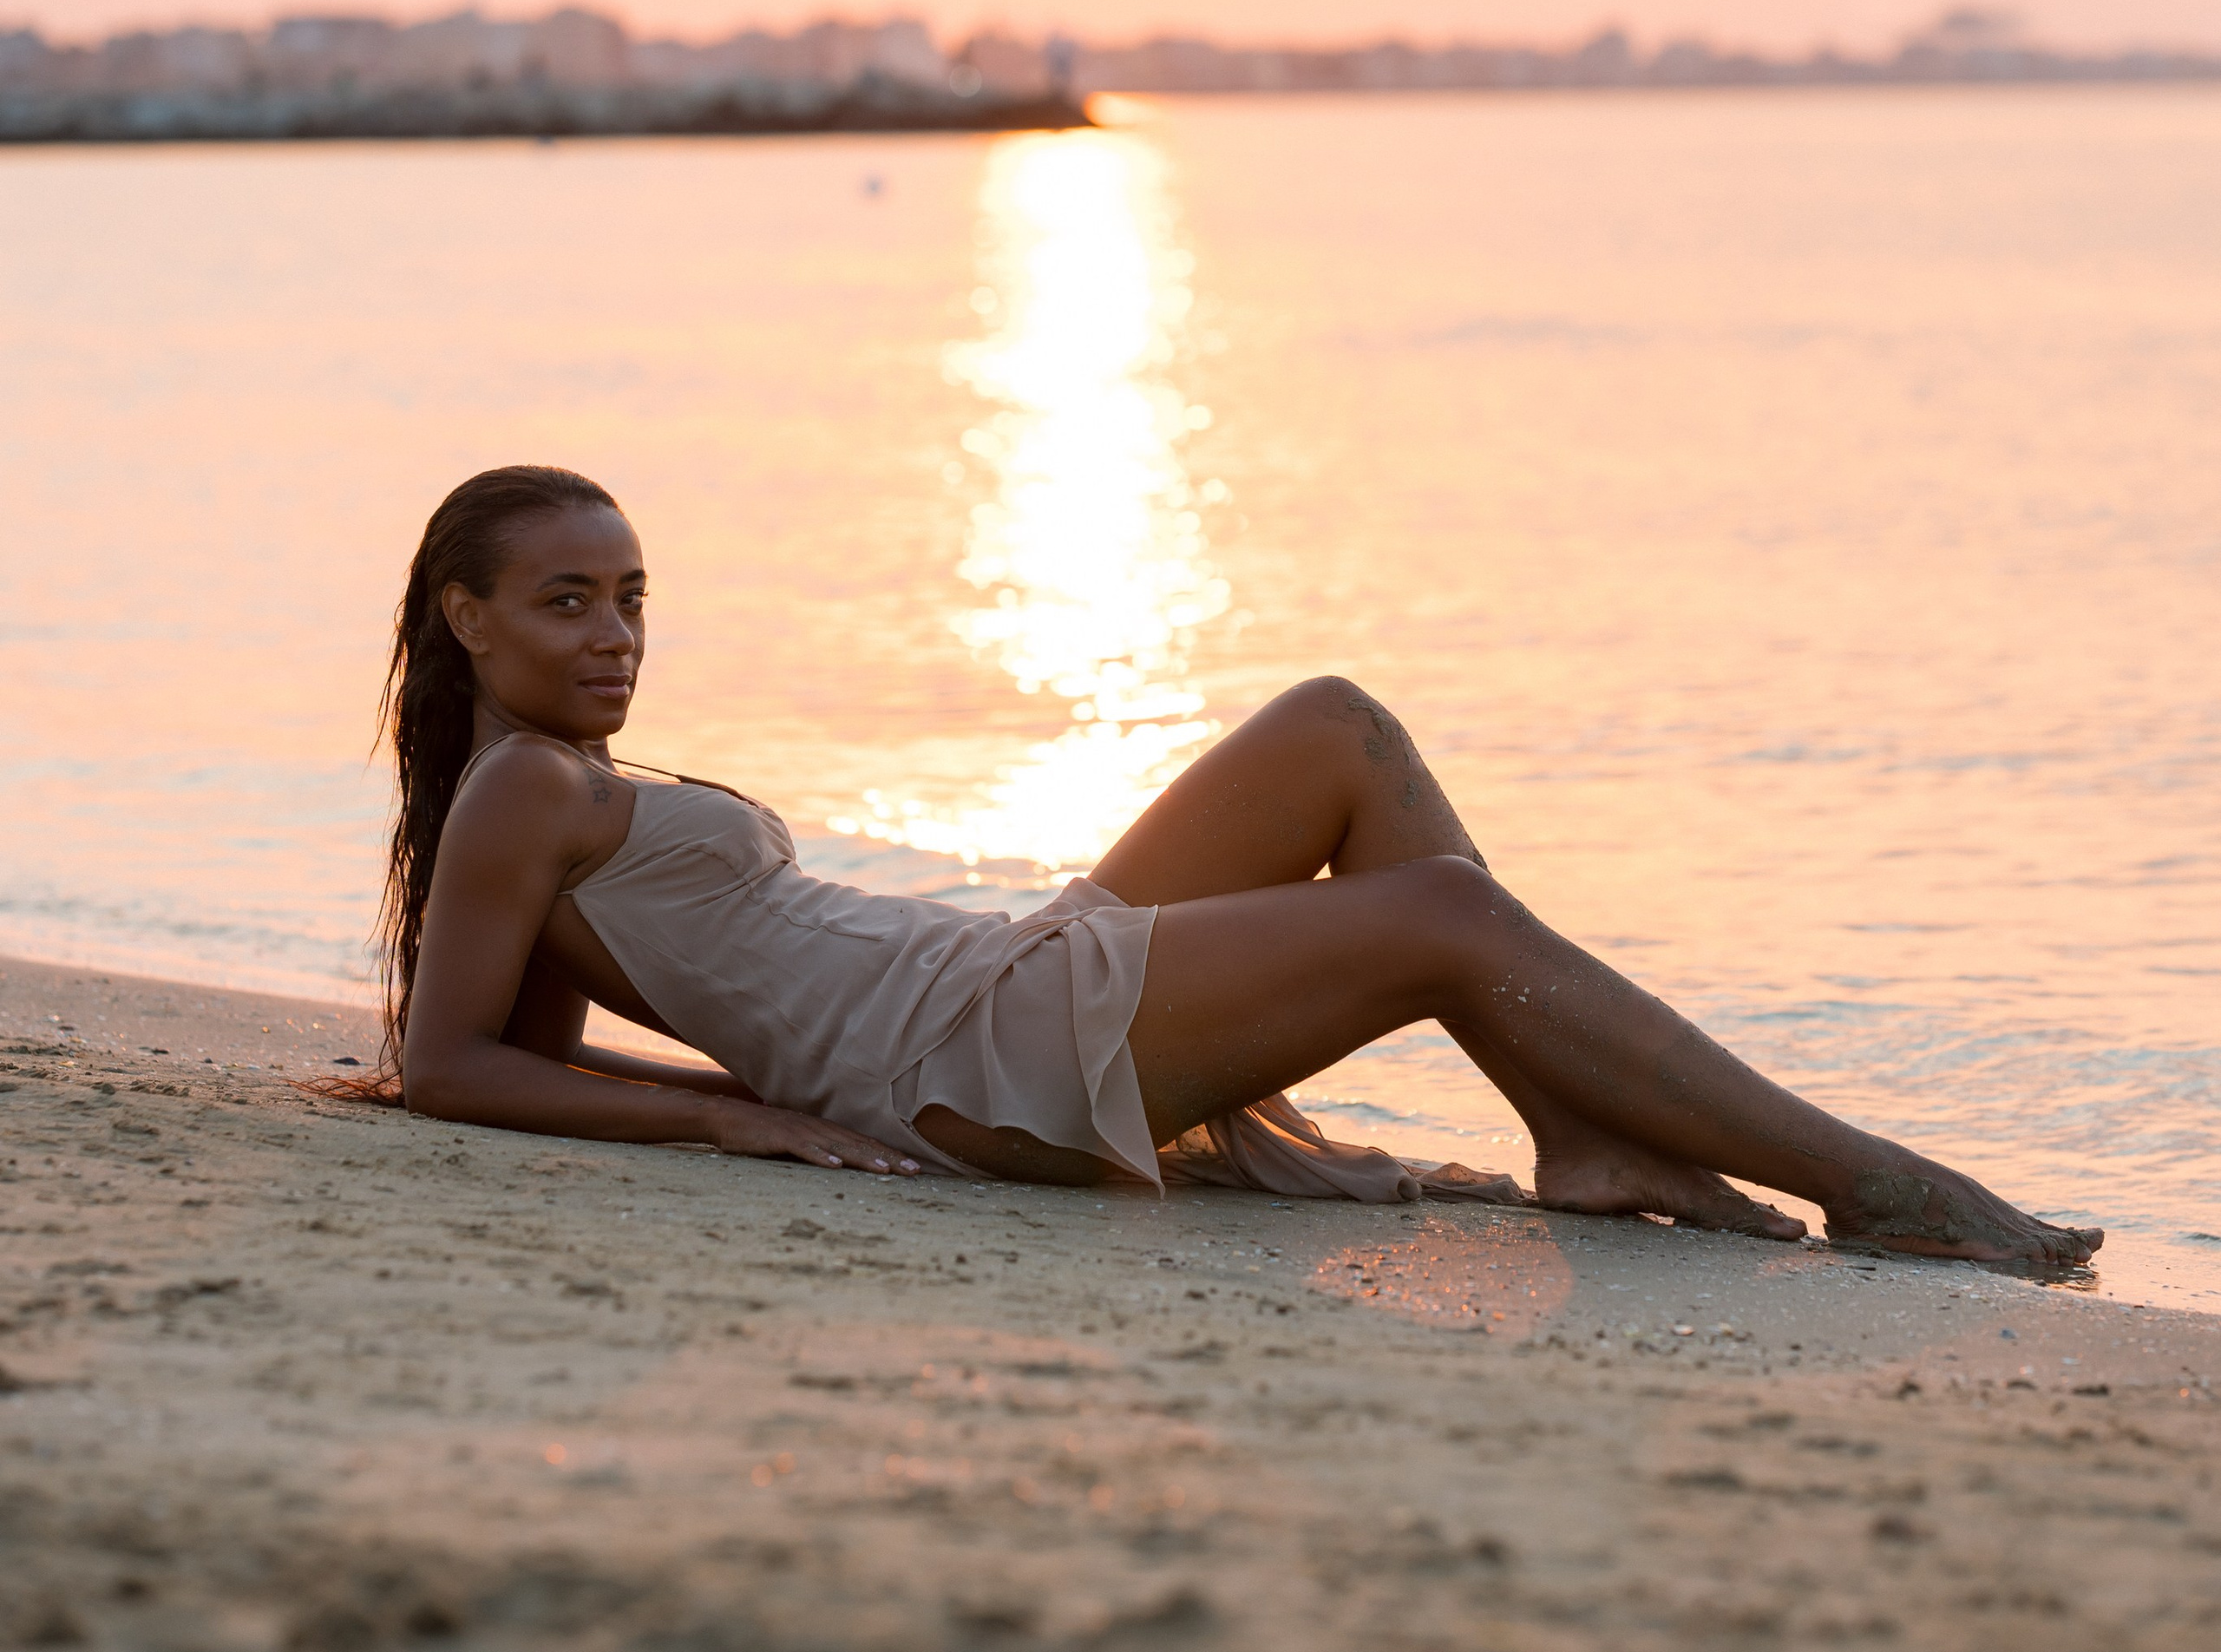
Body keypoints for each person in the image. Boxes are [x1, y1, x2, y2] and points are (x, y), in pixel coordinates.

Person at [383, 464, 2100, 1280]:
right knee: (1431, 919)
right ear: (466, 619)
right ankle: (1870, 1181)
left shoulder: (548, 791)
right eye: (566, 604)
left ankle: (1582, 1131)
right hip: (958, 1058)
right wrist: (735, 1115)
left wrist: (715, 1076)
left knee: (1332, 728)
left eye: (631, 598)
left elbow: (524, 1053)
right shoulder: (523, 789)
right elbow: (453, 1069)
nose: (613, 636)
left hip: (978, 986)